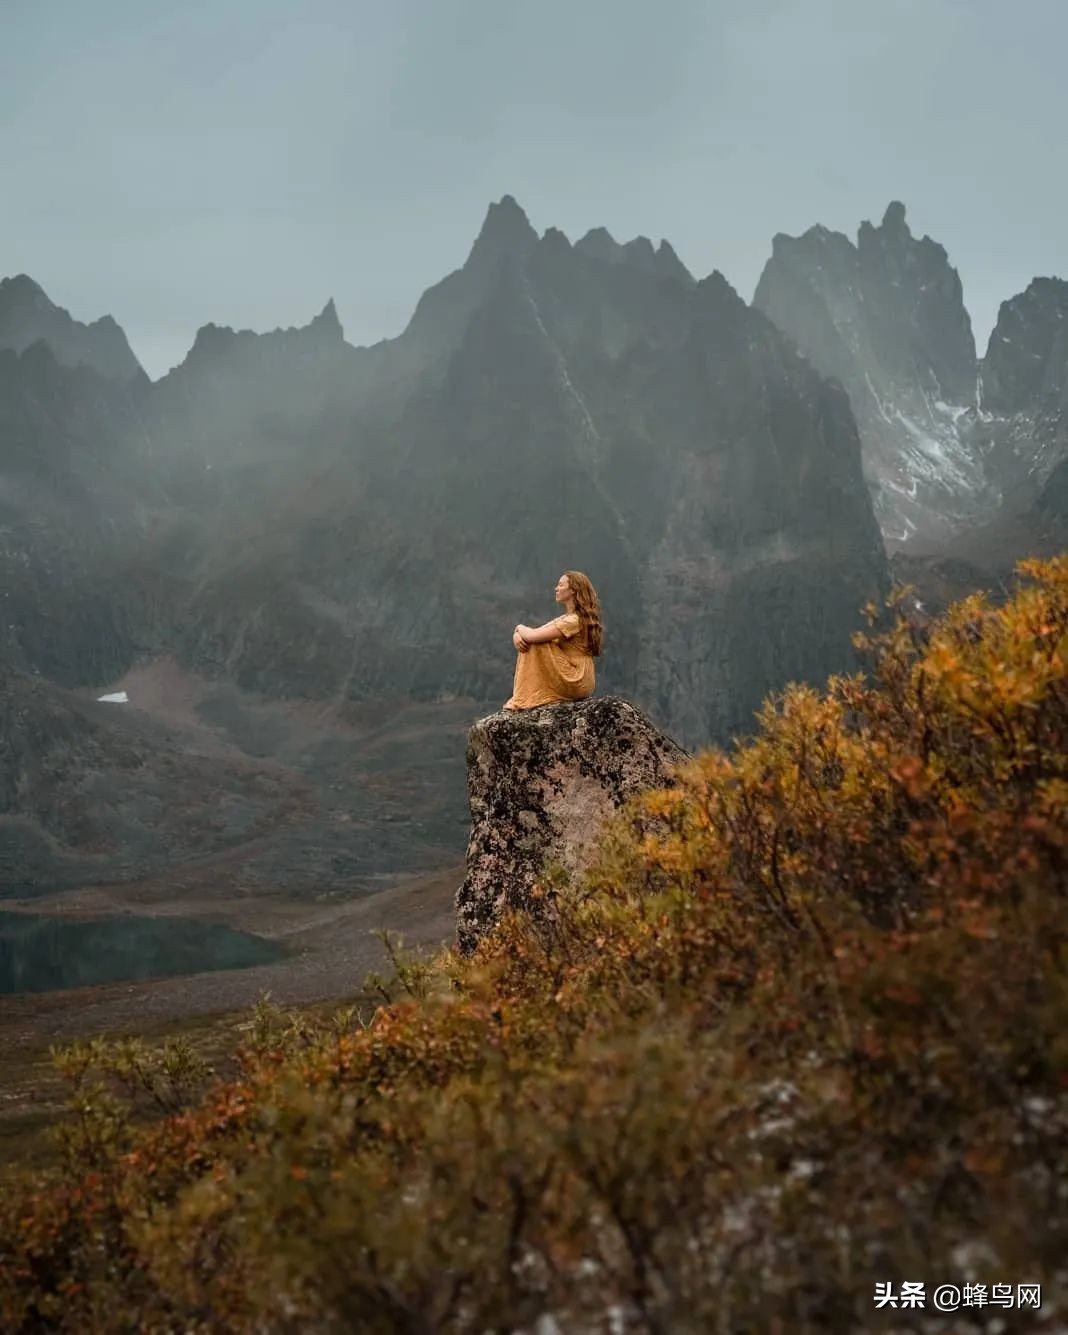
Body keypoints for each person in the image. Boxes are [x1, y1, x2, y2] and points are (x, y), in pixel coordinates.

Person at [503, 570, 603, 711]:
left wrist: (518, 628)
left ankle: (521, 699)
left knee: (537, 644)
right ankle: (523, 697)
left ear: (573, 590)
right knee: (536, 642)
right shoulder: (567, 618)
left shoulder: (573, 621)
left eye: (561, 585)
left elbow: (533, 636)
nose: (556, 588)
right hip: (577, 675)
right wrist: (517, 634)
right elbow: (534, 632)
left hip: (576, 677)